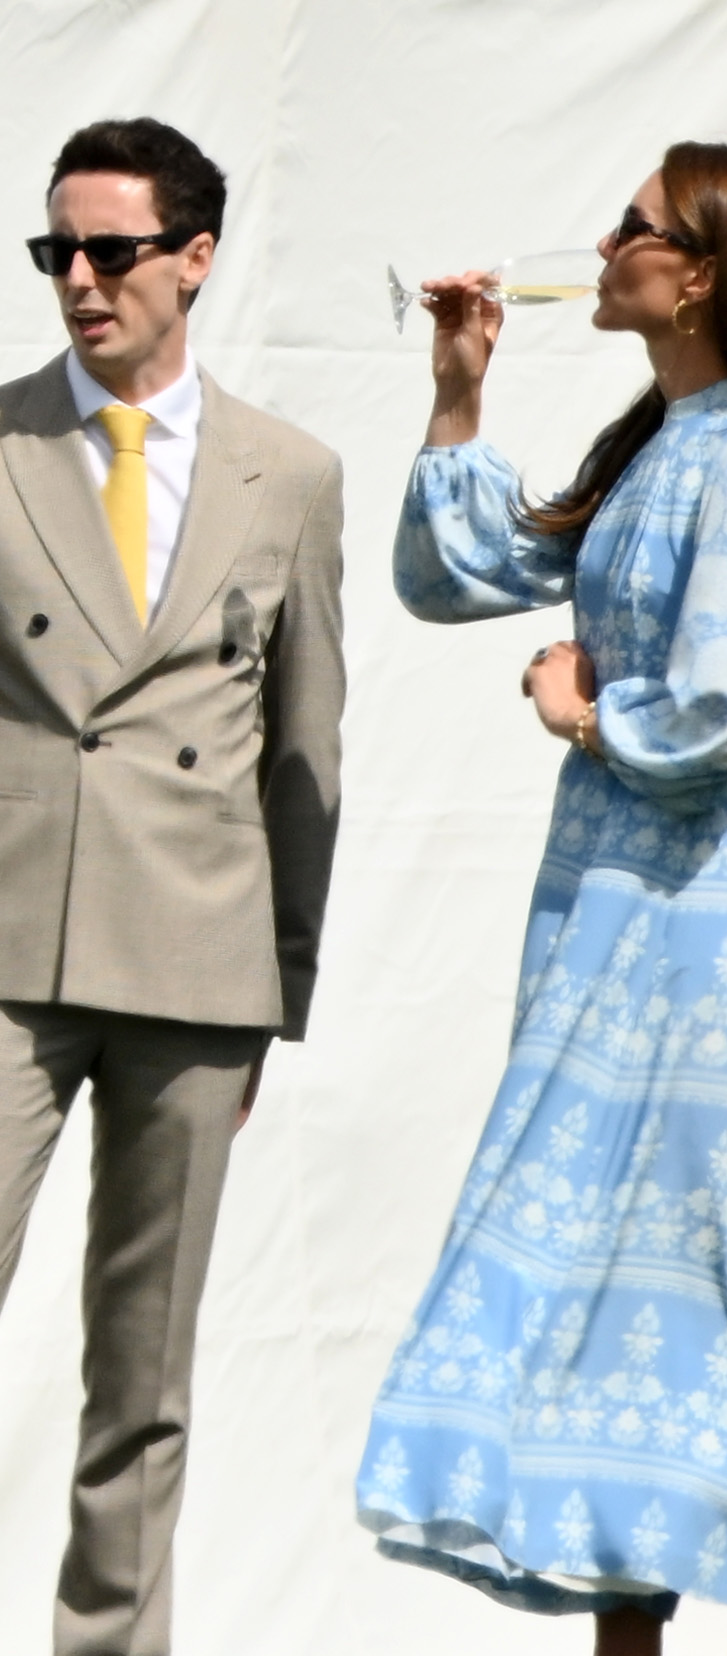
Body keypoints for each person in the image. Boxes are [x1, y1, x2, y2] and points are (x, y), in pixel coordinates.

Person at [357, 141, 727, 1656]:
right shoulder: (661, 444)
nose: (603, 242)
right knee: (590, 1275)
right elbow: (460, 573)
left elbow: (724, 707)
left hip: (698, 938)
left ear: (699, 272)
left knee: (716, 1289)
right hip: (605, 912)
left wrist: (584, 708)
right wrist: (461, 391)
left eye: (631, 227)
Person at [0, 117, 344, 1653]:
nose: (79, 280)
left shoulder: (291, 473)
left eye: (112, 252)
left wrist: (284, 983)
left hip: (201, 970)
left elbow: (306, 749)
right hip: (7, 942)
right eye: (53, 251)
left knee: (142, 1377)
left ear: (194, 260)